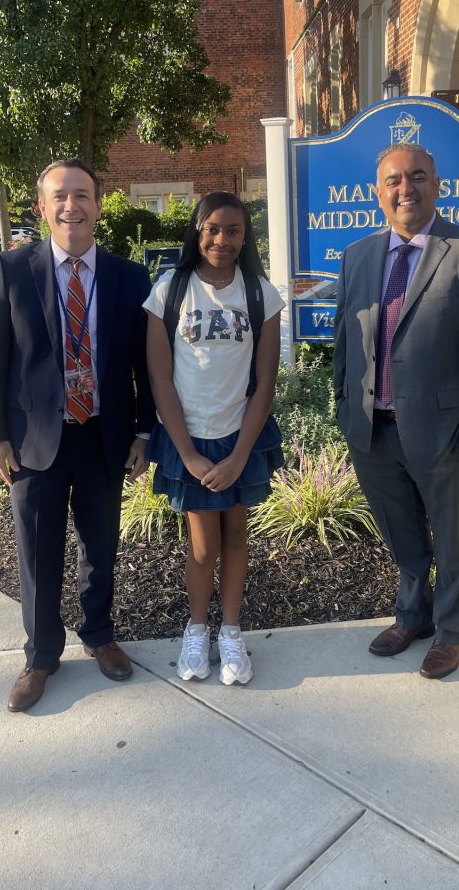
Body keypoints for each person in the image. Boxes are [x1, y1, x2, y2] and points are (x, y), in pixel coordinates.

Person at [0, 159, 155, 712]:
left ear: (99, 206)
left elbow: (145, 366)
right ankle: (41, 655)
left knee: (101, 545)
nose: (71, 206)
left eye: (81, 195)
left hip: (104, 435)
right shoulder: (12, 270)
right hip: (34, 440)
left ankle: (99, 634)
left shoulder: (128, 276)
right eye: (60, 196)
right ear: (43, 207)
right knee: (37, 550)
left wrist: (144, 432)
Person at [334, 144, 459, 679]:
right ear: (378, 192)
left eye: (417, 177)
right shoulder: (357, 255)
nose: (405, 189)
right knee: (400, 531)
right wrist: (345, 406)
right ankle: (413, 615)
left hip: (443, 430)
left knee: (449, 534)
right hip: (372, 428)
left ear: (437, 184)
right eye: (393, 180)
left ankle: (453, 632)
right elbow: (346, 338)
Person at [143, 192, 284, 685]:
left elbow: (265, 382)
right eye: (213, 229)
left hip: (239, 437)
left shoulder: (261, 293)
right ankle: (196, 630)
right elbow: (159, 379)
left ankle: (230, 632)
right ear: (197, 230)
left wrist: (241, 455)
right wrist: (187, 453)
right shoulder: (170, 289)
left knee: (237, 537)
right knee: (203, 546)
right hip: (191, 439)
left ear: (246, 238)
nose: (223, 240)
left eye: (234, 231)